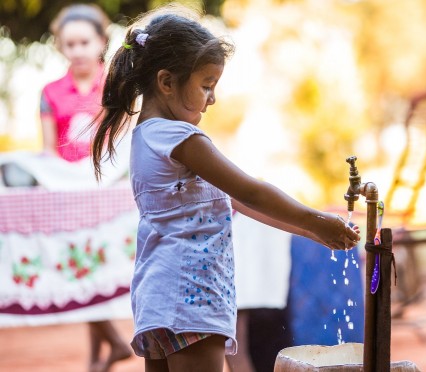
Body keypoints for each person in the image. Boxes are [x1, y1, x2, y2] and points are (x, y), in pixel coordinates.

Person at [90, 6, 361, 372]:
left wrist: (315, 231)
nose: (212, 98)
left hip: (158, 298)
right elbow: (251, 192)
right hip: (192, 299)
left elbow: (246, 205)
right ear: (167, 82)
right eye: (206, 85)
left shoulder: (147, 138)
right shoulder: (181, 138)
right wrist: (316, 221)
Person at [41, 4, 132, 372]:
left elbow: (124, 140)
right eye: (70, 44)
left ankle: (98, 358)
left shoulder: (116, 85)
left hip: (110, 190)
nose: (77, 50)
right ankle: (110, 346)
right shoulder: (50, 91)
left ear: (100, 42)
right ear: (61, 46)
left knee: (100, 269)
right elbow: (48, 151)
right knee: (80, 270)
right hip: (68, 194)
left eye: (84, 42)